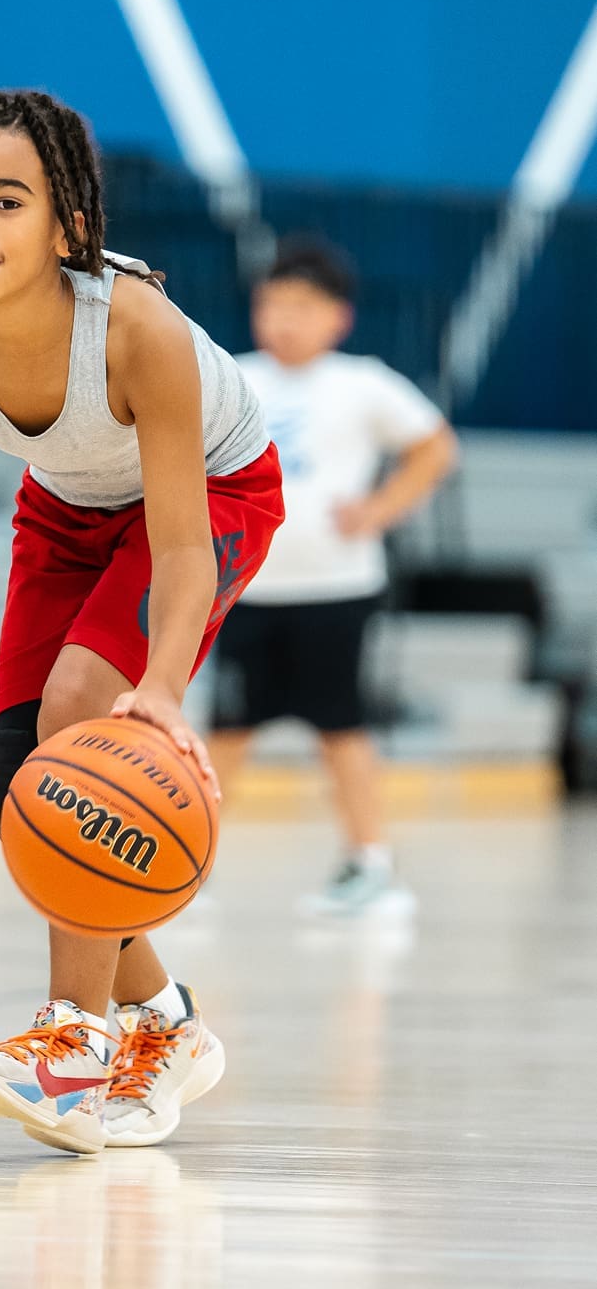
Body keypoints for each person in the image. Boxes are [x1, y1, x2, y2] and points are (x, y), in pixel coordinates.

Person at [0, 88, 285, 1155]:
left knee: (79, 711)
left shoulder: (136, 331)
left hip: (212, 490)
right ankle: (163, 1022)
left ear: (68, 225)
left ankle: (72, 1048)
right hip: (66, 503)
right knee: (23, 778)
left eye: (7, 200)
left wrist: (155, 687)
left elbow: (185, 541)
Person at [206, 236, 458, 917]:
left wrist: (380, 509)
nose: (283, 318)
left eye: (300, 306)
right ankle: (184, 868)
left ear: (336, 317)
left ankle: (369, 864)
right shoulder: (231, 375)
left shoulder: (362, 382)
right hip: (243, 590)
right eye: (271, 303)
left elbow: (435, 446)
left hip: (337, 591)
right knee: (225, 732)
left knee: (340, 729)